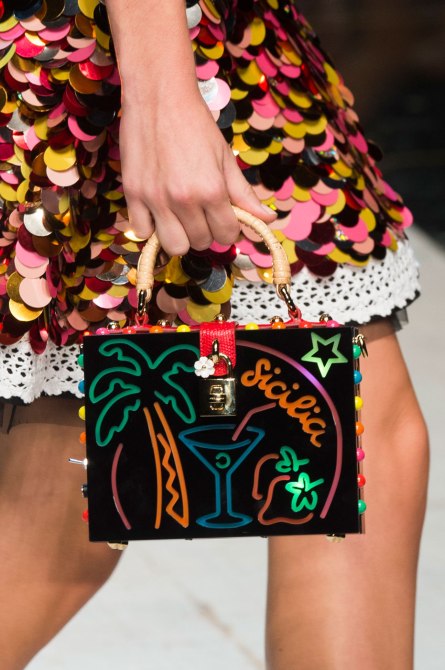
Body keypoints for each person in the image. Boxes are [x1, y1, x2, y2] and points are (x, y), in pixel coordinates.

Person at [0, 1, 428, 669]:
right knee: (60, 503)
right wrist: (162, 98)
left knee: (360, 439)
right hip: (127, 55)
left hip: (234, 49)